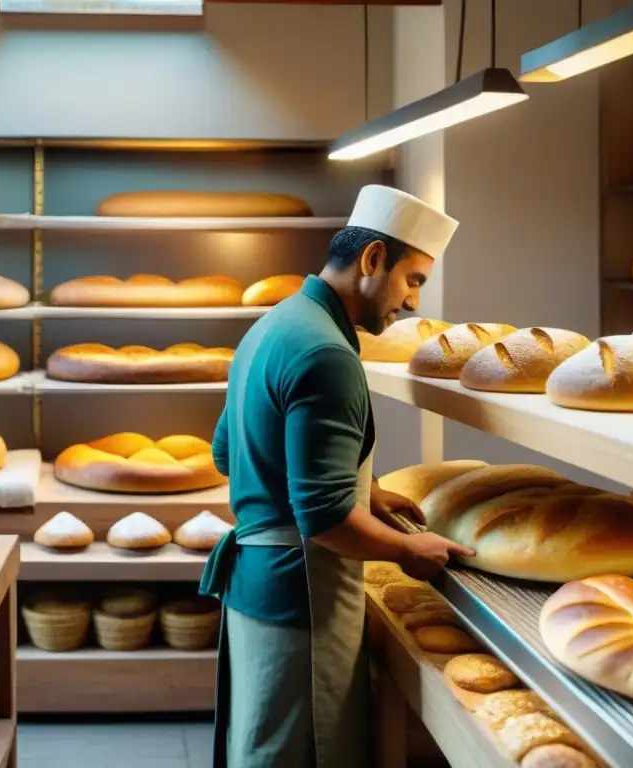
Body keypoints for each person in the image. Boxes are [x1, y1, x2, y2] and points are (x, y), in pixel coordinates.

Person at [199, 184, 473, 768]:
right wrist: (406, 549)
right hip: (302, 591)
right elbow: (323, 521)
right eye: (414, 279)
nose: (414, 303)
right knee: (303, 751)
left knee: (261, 744)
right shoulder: (328, 354)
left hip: (256, 584)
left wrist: (361, 489)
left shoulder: (275, 325)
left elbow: (229, 453)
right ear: (372, 259)